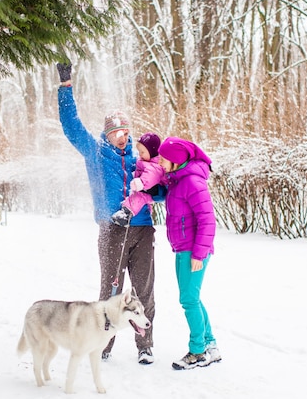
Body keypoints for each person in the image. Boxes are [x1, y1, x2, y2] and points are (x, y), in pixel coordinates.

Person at [56, 62, 157, 365]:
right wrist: (65, 87)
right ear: (107, 134)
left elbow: (158, 179)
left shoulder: (139, 158)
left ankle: (145, 345)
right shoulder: (95, 151)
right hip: (111, 229)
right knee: (111, 289)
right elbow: (72, 125)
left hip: (143, 229)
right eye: (116, 132)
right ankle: (103, 345)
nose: (123, 137)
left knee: (145, 290)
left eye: (125, 131)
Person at [158, 136, 222, 370]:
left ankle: (198, 352)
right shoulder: (177, 180)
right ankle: (210, 344)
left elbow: (208, 220)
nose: (160, 162)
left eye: (163, 159)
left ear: (175, 161)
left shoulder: (192, 182)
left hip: (193, 250)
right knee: (192, 297)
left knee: (188, 299)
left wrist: (198, 255)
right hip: (183, 247)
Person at [111, 132, 164, 227]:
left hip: (147, 189)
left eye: (142, 152)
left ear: (152, 151)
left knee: (138, 197)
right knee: (138, 198)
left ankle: (125, 214)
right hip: (145, 188)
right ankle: (126, 213)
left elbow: (151, 176)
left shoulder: (155, 166)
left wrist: (141, 183)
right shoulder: (146, 161)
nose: (140, 154)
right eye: (139, 151)